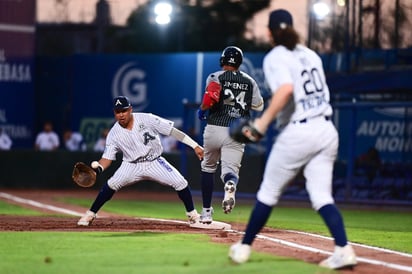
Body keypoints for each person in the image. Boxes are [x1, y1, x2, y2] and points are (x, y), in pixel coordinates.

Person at [228, 9, 357, 270]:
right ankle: (343, 249)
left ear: (269, 31)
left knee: (268, 192)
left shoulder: (276, 56)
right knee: (321, 195)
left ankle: (243, 248)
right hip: (326, 129)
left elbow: (286, 90)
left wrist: (260, 125)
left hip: (299, 133)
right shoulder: (310, 54)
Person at [77, 96, 204, 227]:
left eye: (124, 111)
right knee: (111, 184)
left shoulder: (147, 119)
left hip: (154, 161)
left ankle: (193, 215)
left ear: (130, 109)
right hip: (131, 165)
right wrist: (98, 169)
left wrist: (194, 145)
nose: (121, 114)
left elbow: (173, 131)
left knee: (180, 182)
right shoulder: (113, 134)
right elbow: (107, 158)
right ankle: (90, 213)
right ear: (114, 113)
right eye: (117, 112)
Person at [196, 46, 264, 224]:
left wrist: (202, 110)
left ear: (222, 60)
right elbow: (259, 105)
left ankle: (206, 212)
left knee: (208, 168)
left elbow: (210, 98)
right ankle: (230, 184)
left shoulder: (215, 76)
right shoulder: (250, 81)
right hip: (237, 131)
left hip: (215, 127)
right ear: (239, 62)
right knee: (230, 171)